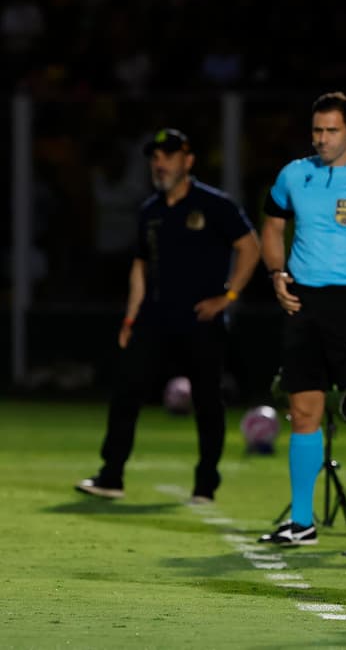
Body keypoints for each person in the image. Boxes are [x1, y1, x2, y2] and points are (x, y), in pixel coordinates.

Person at [76, 128, 261, 503]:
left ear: (188, 161)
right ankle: (111, 476)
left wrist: (227, 297)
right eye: (155, 157)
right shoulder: (150, 211)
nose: (160, 164)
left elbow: (250, 247)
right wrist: (130, 319)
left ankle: (205, 484)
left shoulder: (215, 204)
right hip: (155, 318)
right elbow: (140, 267)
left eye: (169, 156)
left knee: (207, 402)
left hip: (201, 320)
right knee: (126, 391)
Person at [257, 92, 346, 547]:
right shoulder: (293, 175)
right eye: (317, 130)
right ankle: (302, 522)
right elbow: (271, 226)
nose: (322, 139)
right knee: (304, 411)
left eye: (332, 130)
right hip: (303, 304)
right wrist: (276, 274)